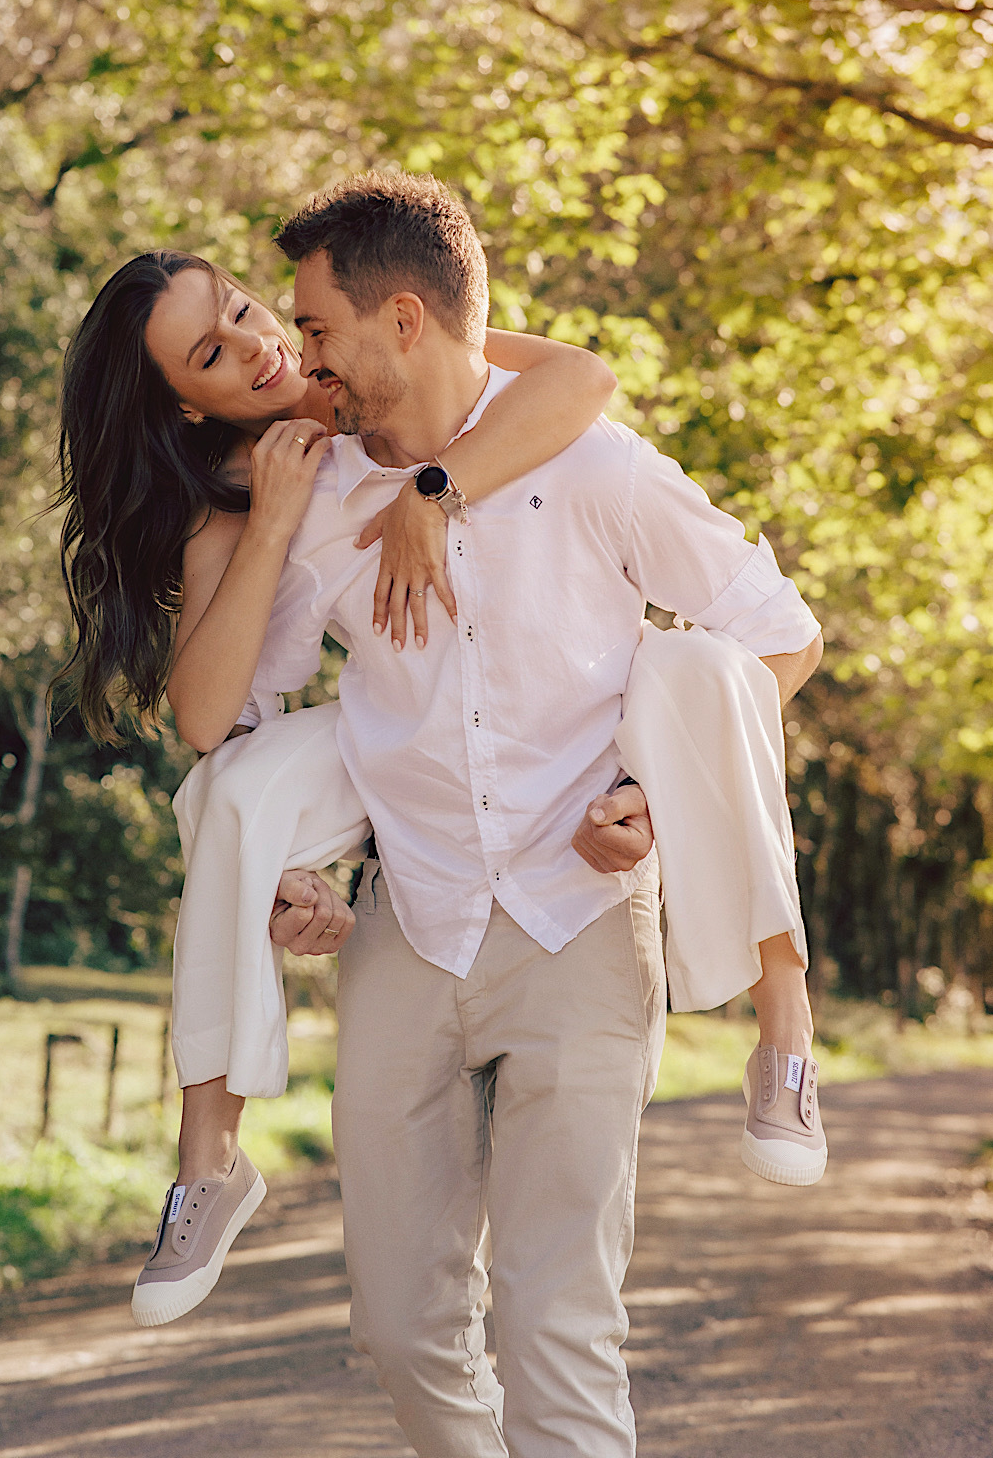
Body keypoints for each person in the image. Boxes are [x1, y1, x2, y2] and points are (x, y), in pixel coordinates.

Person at [220, 170, 824, 1457]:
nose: (298, 359)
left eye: (315, 328)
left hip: (587, 927)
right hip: (407, 929)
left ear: (401, 320)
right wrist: (296, 871)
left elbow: (779, 638)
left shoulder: (593, 465)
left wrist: (655, 798)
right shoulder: (320, 495)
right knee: (397, 1326)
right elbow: (250, 710)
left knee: (559, 1318)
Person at [54, 249, 622, 1326]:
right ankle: (209, 1160)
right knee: (221, 792)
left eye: (243, 309)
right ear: (183, 403)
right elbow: (208, 716)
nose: (263, 345)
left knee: (220, 803)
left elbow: (583, 379)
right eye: (214, 355)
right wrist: (275, 513)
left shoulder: (366, 359)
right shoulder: (229, 498)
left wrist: (430, 489)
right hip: (383, 736)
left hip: (516, 734)